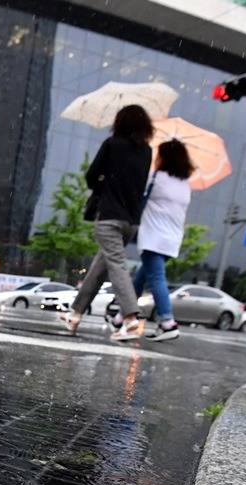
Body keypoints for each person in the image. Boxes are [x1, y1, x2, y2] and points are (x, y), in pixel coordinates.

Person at [62, 104, 154, 340]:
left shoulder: (112, 144)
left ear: (120, 122)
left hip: (109, 218)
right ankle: (75, 314)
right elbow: (140, 186)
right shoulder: (146, 151)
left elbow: (91, 177)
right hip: (130, 222)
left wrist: (105, 183)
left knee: (116, 266)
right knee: (99, 268)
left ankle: (131, 318)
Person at [130, 139, 194, 341]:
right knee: (141, 279)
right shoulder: (185, 185)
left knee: (157, 279)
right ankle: (121, 316)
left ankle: (168, 322)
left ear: (165, 157)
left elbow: (138, 198)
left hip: (153, 237)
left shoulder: (156, 178)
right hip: (172, 240)